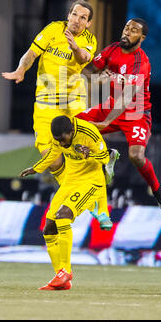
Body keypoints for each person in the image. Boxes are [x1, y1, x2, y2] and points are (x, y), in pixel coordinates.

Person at [2, 0, 118, 229]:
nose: (77, 20)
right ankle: (85, 199)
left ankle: (100, 206)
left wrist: (74, 46)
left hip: (72, 102)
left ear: (89, 23)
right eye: (75, 14)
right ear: (69, 14)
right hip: (45, 105)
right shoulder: (53, 29)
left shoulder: (88, 40)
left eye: (83, 17)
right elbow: (31, 53)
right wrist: (21, 69)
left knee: (86, 152)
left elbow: (84, 58)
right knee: (52, 158)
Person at [78, 18, 161, 217]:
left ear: (142, 38)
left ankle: (158, 192)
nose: (127, 32)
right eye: (126, 28)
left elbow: (128, 97)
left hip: (136, 113)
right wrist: (97, 75)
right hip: (112, 105)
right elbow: (87, 71)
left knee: (136, 156)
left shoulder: (141, 62)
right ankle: (105, 157)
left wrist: (105, 122)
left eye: (133, 30)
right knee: (72, 126)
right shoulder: (112, 49)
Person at [20, 115, 110, 290]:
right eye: (58, 141)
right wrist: (35, 168)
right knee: (49, 228)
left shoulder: (88, 132)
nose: (61, 144)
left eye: (63, 140)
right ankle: (62, 278)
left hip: (91, 182)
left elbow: (106, 157)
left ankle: (66, 271)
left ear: (71, 131)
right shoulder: (59, 138)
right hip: (70, 181)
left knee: (63, 216)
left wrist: (90, 154)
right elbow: (53, 154)